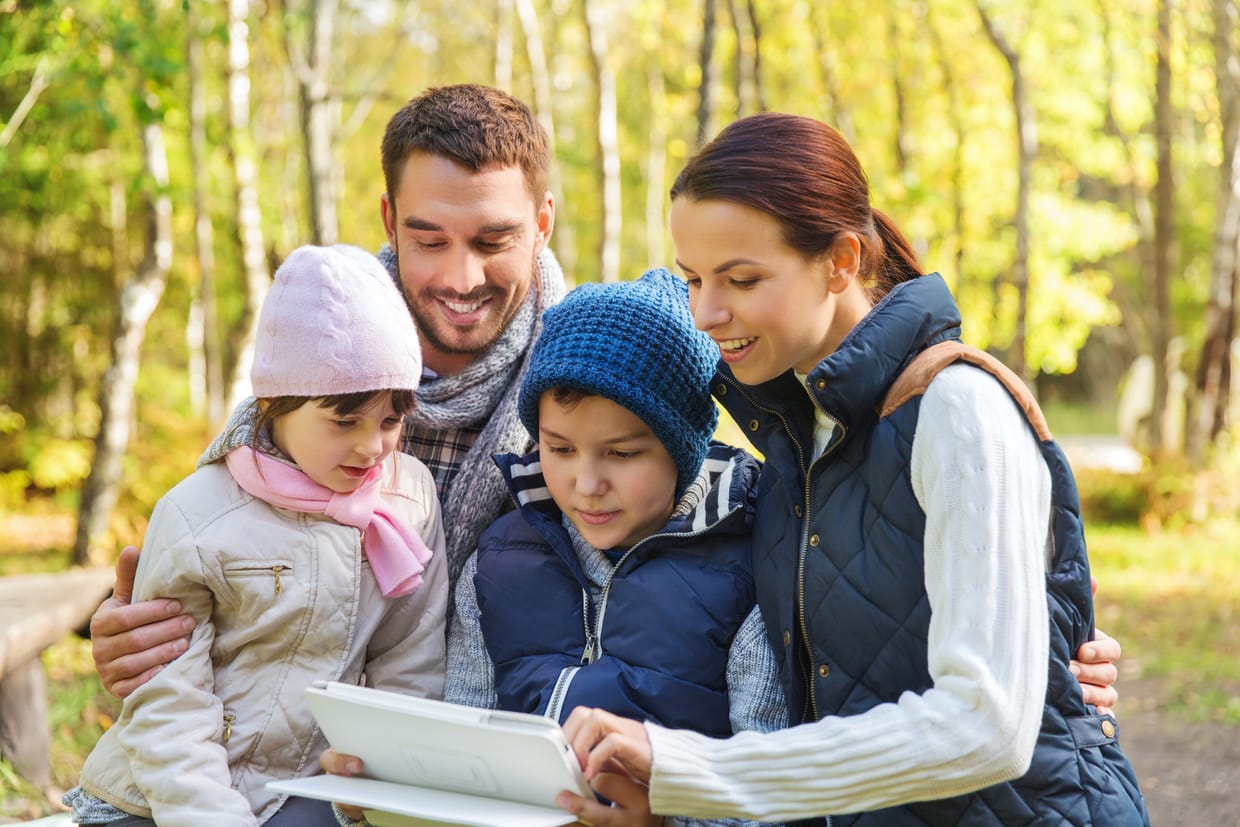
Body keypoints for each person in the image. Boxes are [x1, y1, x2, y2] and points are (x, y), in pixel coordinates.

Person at [556, 113, 1149, 826]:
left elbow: (986, 723)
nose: (707, 312)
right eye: (694, 278)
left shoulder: (957, 408)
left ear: (840, 261)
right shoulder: (792, 436)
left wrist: (693, 769)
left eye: (741, 279)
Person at [86, 83, 567, 698]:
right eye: (429, 240)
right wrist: (139, 635)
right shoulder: (324, 342)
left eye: (493, 241)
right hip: (292, 728)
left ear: (543, 224)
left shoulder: (579, 374)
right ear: (390, 221)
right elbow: (228, 532)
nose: (460, 277)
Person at [326, 269, 787, 827]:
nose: (586, 483)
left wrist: (663, 821)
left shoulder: (751, 572)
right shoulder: (498, 562)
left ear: (683, 449)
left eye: (621, 454)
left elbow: (768, 798)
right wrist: (380, 798)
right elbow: (461, 752)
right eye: (560, 448)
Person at [64, 245, 449, 826]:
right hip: (164, 793)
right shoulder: (200, 515)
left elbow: (410, 656)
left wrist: (379, 784)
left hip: (311, 786)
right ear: (274, 404)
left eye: (391, 420)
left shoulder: (407, 497)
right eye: (344, 420)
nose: (372, 447)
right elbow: (167, 697)